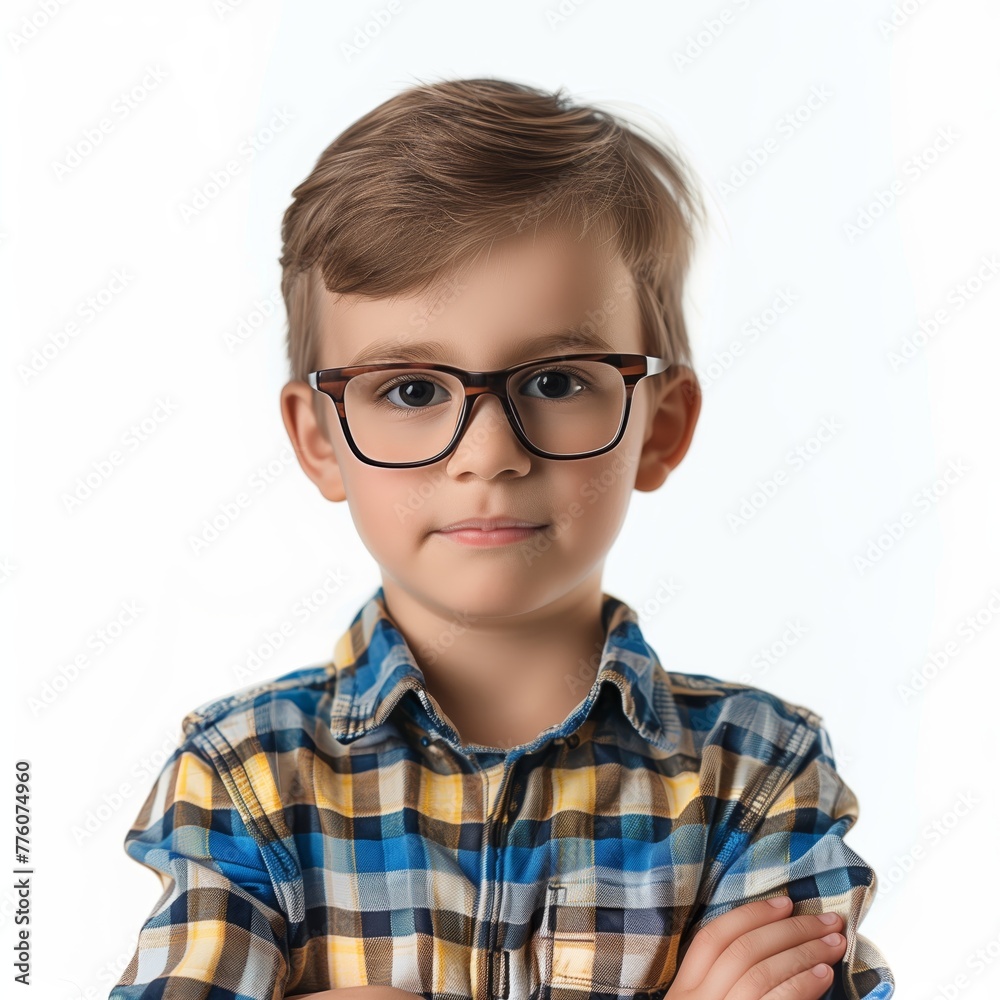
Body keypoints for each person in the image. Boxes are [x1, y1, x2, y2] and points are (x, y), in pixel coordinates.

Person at [110, 77, 894, 1000]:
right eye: (410, 391)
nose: (488, 455)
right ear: (320, 441)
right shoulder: (240, 773)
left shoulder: (763, 773)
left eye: (557, 382)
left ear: (663, 424)